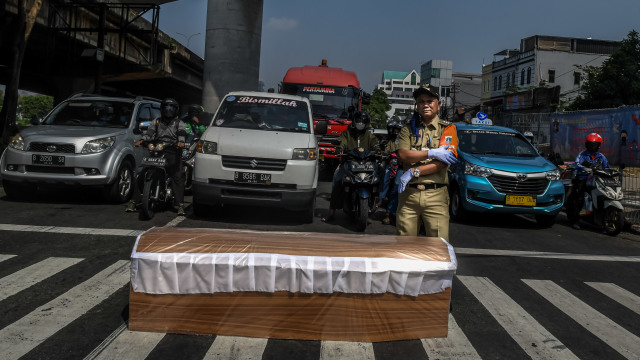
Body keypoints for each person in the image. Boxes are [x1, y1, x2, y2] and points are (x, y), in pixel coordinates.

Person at [395, 84, 458, 240]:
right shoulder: (408, 129)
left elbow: (443, 162)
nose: (425, 105)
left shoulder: (448, 129)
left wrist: (414, 171)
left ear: (438, 104)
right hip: (409, 194)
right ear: (417, 105)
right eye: (421, 101)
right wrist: (430, 153)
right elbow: (403, 154)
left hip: (435, 195)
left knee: (437, 247)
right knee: (404, 246)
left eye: (429, 101)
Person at [126, 98, 187, 215]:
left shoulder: (180, 123)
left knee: (177, 176)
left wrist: (180, 142)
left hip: (173, 151)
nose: (168, 110)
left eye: (171, 108)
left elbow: (181, 135)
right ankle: (133, 202)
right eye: (166, 107)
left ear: (176, 110)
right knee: (143, 173)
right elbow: (149, 133)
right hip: (157, 149)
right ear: (162, 109)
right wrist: (142, 140)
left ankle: (180, 205)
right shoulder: (156, 121)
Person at [322, 110, 380, 222]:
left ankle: (377, 201)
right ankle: (331, 213)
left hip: (367, 164)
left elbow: (376, 146)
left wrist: (379, 151)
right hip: (348, 163)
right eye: (358, 121)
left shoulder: (370, 136)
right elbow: (342, 142)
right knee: (337, 181)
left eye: (363, 121)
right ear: (354, 121)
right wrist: (340, 148)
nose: (360, 123)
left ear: (367, 123)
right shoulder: (346, 134)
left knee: (381, 176)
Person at [566, 133, 610, 230]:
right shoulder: (582, 154)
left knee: (607, 194)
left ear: (598, 145)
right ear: (586, 145)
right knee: (580, 197)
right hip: (583, 179)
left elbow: (607, 167)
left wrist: (611, 172)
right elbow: (577, 164)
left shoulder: (601, 157)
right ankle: (575, 220)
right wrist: (585, 169)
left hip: (597, 180)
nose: (592, 147)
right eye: (590, 144)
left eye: (594, 145)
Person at [379, 120, 404, 225]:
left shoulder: (405, 140)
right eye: (395, 130)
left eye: (398, 130)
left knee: (397, 187)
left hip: (402, 166)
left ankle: (390, 212)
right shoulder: (388, 141)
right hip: (390, 165)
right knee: (382, 179)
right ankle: (378, 200)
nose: (396, 132)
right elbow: (384, 152)